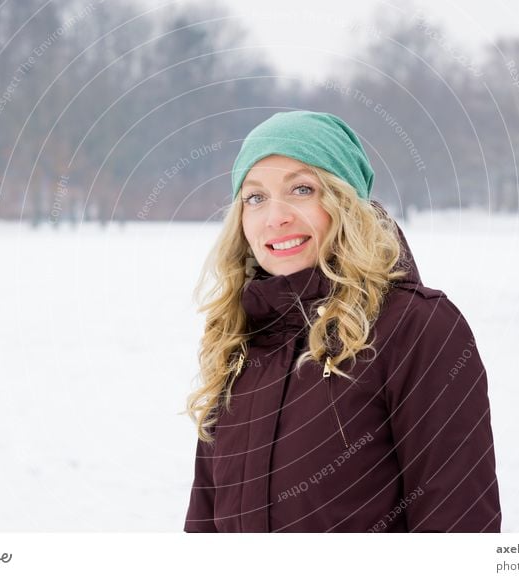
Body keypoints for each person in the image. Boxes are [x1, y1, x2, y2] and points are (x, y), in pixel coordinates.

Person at [183, 110, 501, 533]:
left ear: (345, 203)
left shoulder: (417, 329)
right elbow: (204, 524)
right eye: (255, 197)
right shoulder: (239, 337)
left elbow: (458, 523)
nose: (274, 216)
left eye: (301, 189)